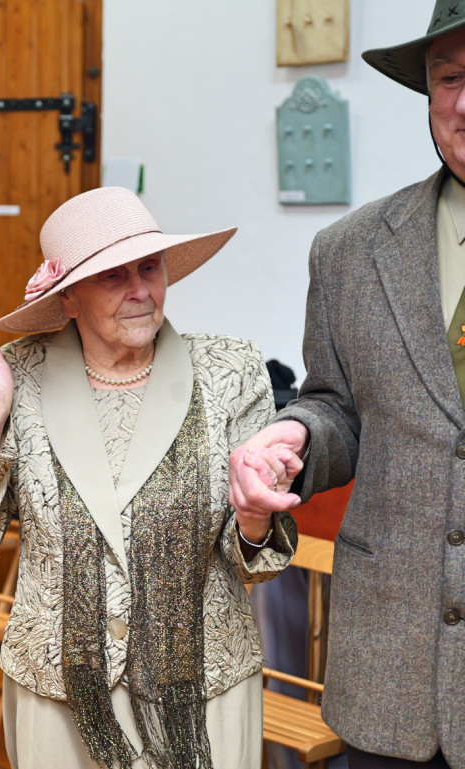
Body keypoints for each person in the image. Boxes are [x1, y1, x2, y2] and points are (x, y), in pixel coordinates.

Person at [0, 186, 297, 769]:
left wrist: (255, 517)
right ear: (69, 298)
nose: (139, 291)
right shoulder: (19, 377)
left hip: (204, 688)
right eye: (112, 276)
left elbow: (256, 558)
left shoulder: (230, 371)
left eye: (149, 268)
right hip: (58, 695)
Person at [229, 4, 465, 768]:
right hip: (389, 670)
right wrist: (294, 433)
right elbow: (337, 404)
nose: (464, 102)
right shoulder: (350, 252)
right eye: (450, 78)